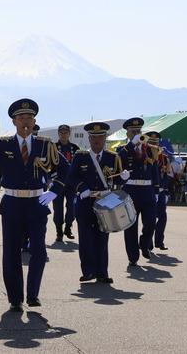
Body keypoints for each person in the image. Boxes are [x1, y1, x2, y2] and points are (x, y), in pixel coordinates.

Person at [0, 99, 67, 311]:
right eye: (21, 118)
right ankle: (15, 297)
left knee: (39, 250)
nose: (25, 122)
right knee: (12, 252)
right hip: (12, 203)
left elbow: (65, 169)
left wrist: (54, 191)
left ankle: (33, 294)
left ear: (34, 121)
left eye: (29, 118)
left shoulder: (45, 144)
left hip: (37, 201)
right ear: (14, 122)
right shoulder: (3, 145)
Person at [66, 122, 128, 283]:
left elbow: (117, 178)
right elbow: (71, 176)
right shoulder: (81, 156)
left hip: (105, 202)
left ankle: (102, 273)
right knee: (86, 239)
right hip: (85, 202)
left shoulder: (112, 157)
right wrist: (82, 188)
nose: (97, 140)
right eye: (93, 137)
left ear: (105, 137)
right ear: (89, 138)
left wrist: (124, 177)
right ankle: (88, 271)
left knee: (102, 238)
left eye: (100, 137)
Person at [117, 118, 159, 265]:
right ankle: (132, 257)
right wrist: (132, 144)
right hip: (131, 190)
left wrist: (157, 190)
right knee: (130, 226)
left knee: (151, 222)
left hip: (147, 191)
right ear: (127, 133)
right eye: (133, 131)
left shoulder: (149, 149)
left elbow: (154, 169)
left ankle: (145, 243)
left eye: (139, 131)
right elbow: (119, 161)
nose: (137, 134)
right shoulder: (123, 149)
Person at [53, 124, 80, 242]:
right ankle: (59, 231)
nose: (63, 135)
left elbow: (80, 166)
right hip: (58, 182)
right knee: (58, 208)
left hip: (71, 184)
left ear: (69, 134)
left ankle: (68, 228)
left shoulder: (75, 148)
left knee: (72, 207)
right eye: (61, 132)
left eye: (66, 132)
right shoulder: (53, 147)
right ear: (58, 134)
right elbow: (48, 164)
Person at [146, 132, 170, 250]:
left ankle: (159, 242)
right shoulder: (145, 157)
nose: (155, 145)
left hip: (160, 192)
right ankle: (148, 242)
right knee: (150, 219)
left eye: (156, 143)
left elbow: (165, 176)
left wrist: (166, 192)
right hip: (149, 191)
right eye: (152, 143)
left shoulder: (164, 158)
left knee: (162, 217)